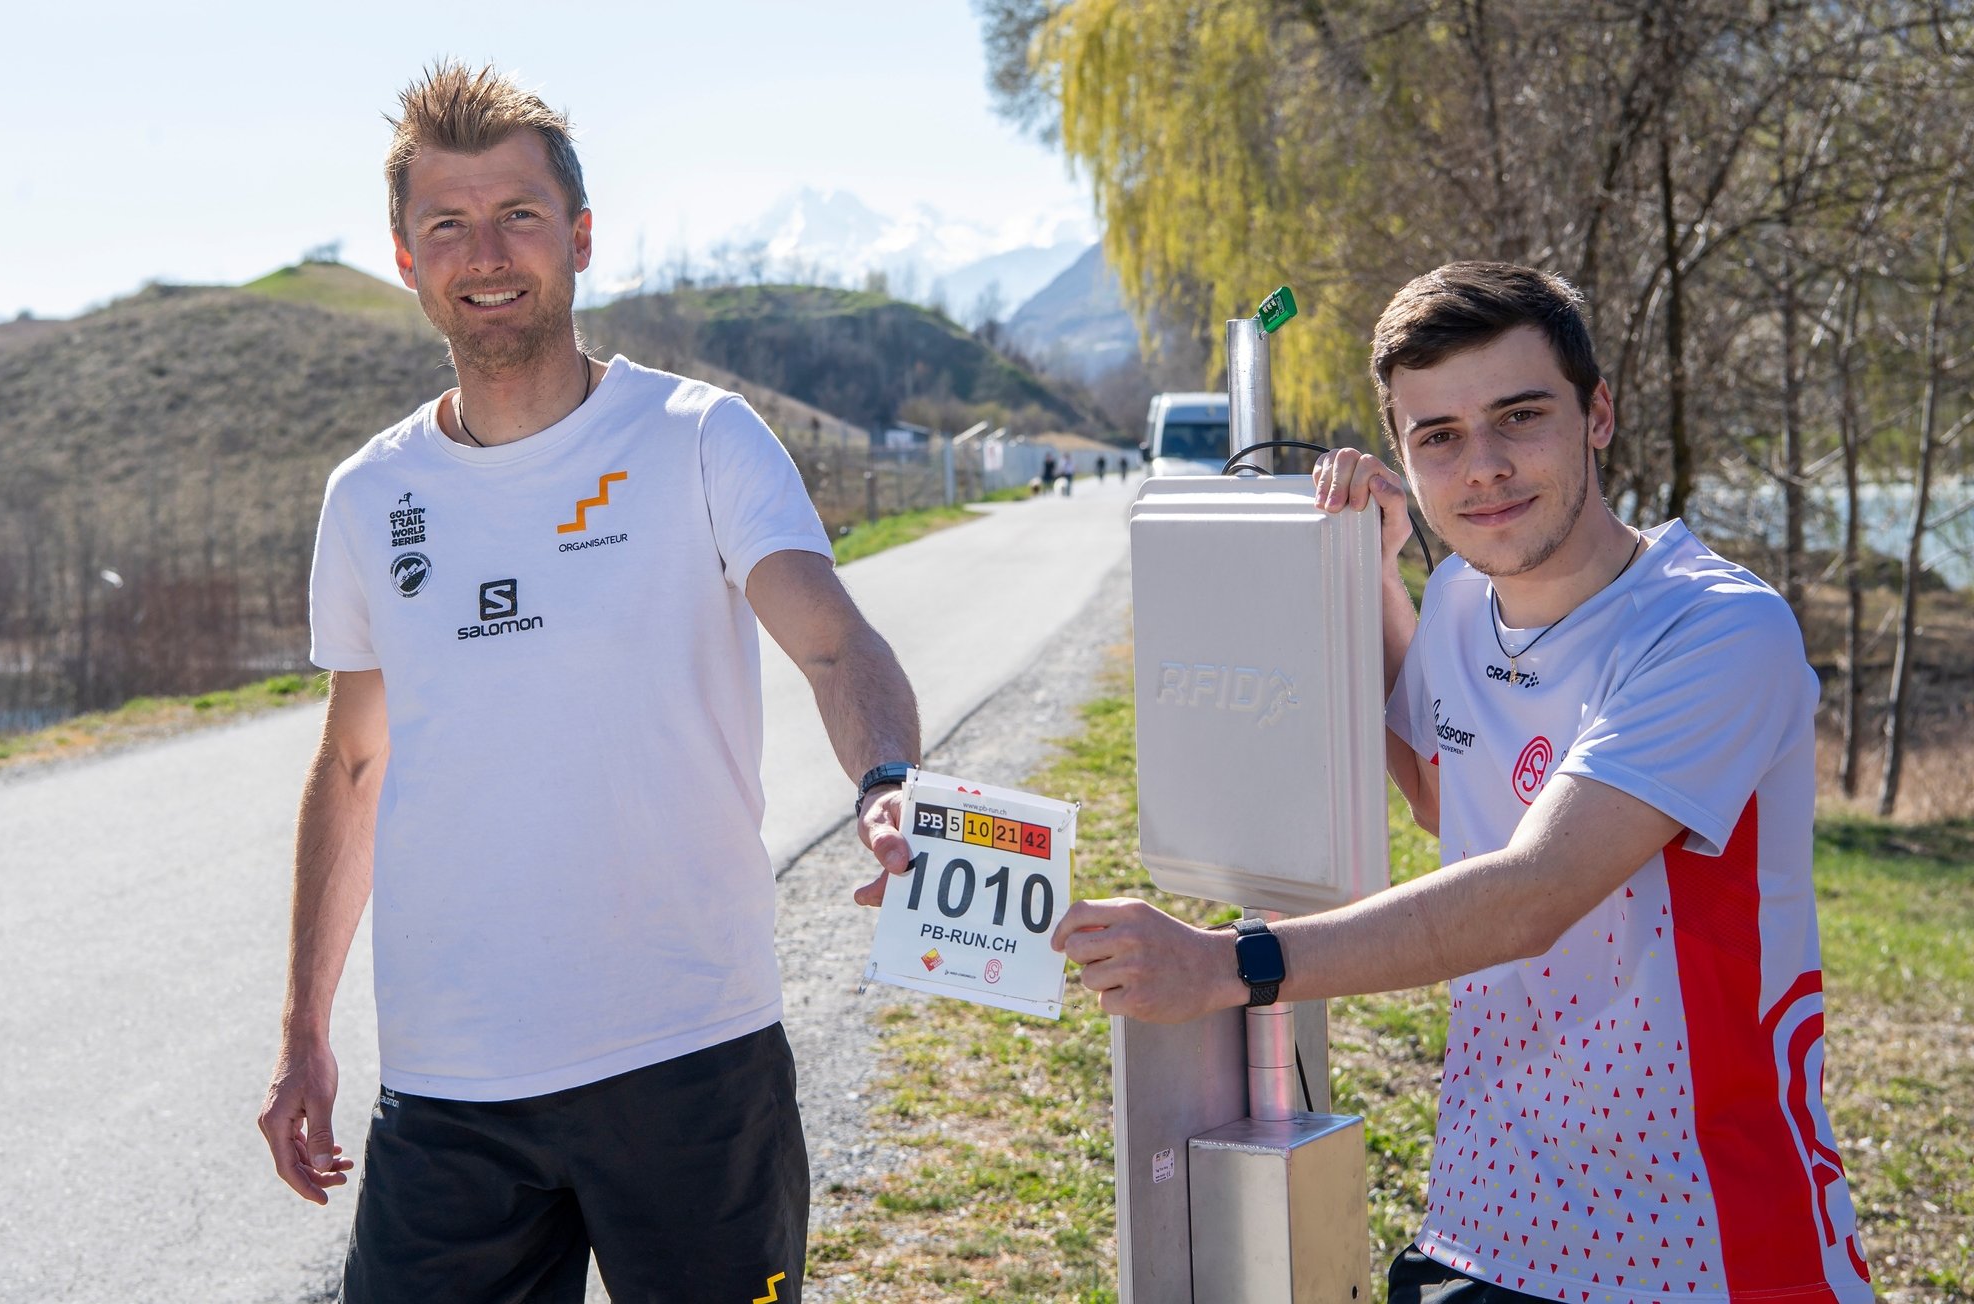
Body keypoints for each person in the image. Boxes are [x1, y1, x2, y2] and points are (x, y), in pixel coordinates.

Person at [1052, 263, 1872, 1303]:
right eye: (1434, 435)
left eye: (1517, 415)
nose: (1479, 466)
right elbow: (1445, 794)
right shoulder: (1450, 596)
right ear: (1400, 452)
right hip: (1480, 1224)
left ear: (1597, 413)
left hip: (1700, 1246)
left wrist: (1227, 964)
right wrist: (1370, 570)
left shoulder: (1711, 627)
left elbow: (1531, 892)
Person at [255, 63, 920, 1304]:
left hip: (688, 1058)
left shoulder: (699, 439)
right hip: (449, 1087)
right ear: (407, 260)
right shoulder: (368, 496)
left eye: (515, 213)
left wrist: (885, 779)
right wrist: (304, 1029)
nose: (485, 251)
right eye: (446, 224)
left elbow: (834, 643)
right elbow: (353, 762)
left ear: (580, 235)